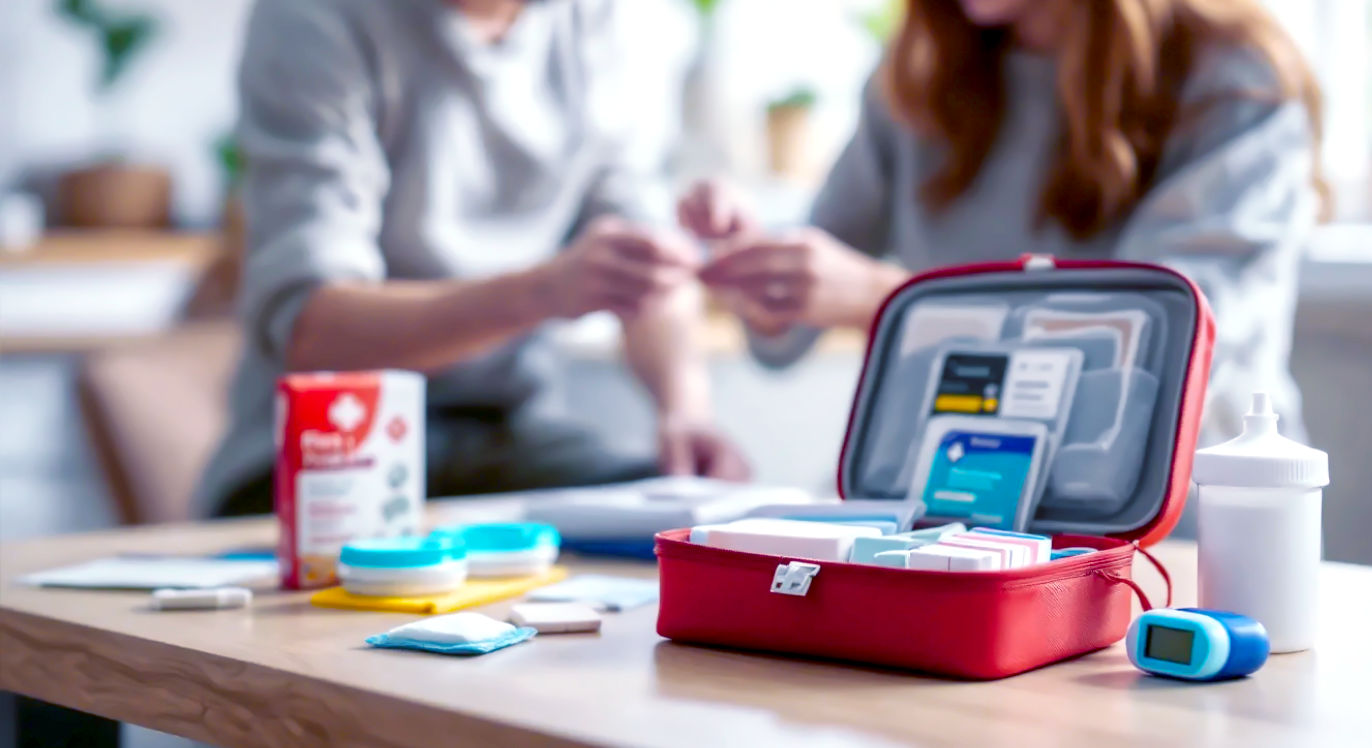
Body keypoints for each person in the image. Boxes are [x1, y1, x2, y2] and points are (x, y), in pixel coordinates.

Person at [196, 0, 750, 519]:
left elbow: (642, 258)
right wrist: (544, 292)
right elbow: (312, 331)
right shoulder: (316, 18)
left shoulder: (594, 20)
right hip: (326, 447)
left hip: (511, 436)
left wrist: (686, 411)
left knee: (687, 529)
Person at [679, 0, 1325, 445]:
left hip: (1185, 534)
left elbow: (1162, 351)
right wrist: (760, 270)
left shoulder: (1238, 85)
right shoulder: (917, 79)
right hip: (958, 503)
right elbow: (788, 329)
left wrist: (899, 304)